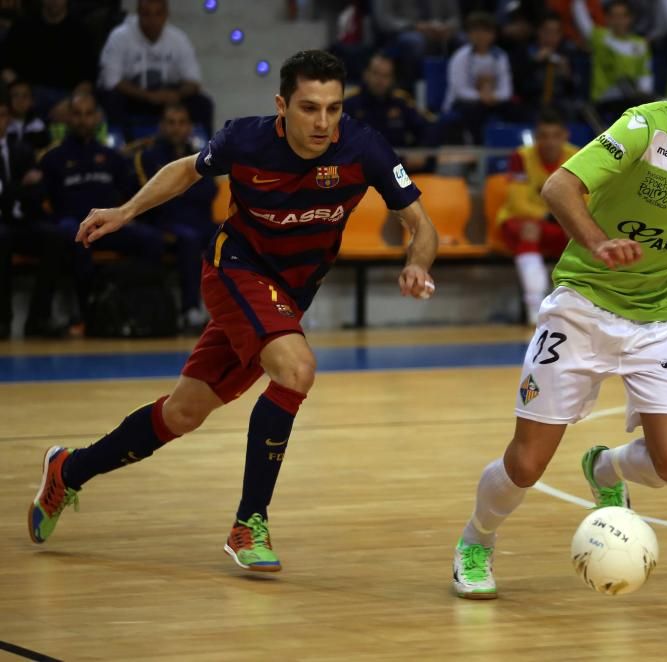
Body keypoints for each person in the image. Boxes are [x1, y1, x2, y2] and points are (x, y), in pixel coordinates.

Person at [28, 51, 439, 573]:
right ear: (281, 105)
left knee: (182, 413)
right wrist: (125, 211)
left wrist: (417, 264)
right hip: (234, 270)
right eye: (309, 108)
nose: (322, 122)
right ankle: (250, 522)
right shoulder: (245, 140)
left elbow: (421, 227)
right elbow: (185, 171)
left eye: (333, 109)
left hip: (287, 298)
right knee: (297, 370)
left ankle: (69, 470)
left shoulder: (365, 148)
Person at [451, 30, 667, 599]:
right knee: (526, 465)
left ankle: (606, 469)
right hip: (584, 307)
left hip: (664, 316)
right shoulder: (645, 125)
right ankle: (477, 539)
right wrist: (598, 242)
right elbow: (558, 186)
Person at [39, 91, 159, 318]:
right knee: (76, 238)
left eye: (88, 114)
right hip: (72, 225)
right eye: (77, 114)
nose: (83, 120)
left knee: (151, 239)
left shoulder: (111, 157)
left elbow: (130, 193)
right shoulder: (52, 157)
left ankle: (137, 303)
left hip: (106, 225)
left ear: (97, 118)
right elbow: (42, 200)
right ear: (68, 118)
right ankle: (88, 313)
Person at [134, 103, 217, 332]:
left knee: (237, 233)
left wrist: (177, 190)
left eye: (182, 123)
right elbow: (154, 197)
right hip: (166, 224)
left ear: (190, 127)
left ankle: (242, 310)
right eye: (171, 123)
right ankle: (189, 310)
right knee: (189, 239)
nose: (176, 128)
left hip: (200, 221)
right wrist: (185, 190)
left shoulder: (203, 156)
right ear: (161, 126)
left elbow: (210, 191)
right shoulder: (148, 157)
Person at [496, 108, 575, 325]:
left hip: (559, 224)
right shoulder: (521, 157)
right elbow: (517, 203)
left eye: (555, 136)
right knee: (530, 229)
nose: (549, 142)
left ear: (565, 136)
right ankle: (534, 308)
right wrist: (551, 216)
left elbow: (584, 202)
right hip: (520, 224)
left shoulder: (577, 157)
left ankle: (579, 308)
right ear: (536, 136)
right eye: (543, 136)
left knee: (585, 236)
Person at [0, 96, 69, 339]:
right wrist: (20, 186)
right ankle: (3, 320)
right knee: (2, 239)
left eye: (2, 116)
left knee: (55, 237)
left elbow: (39, 191)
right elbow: (23, 189)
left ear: (8, 119)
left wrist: (9, 189)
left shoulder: (22, 150)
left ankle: (39, 319)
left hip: (22, 220)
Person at [98, 0, 213, 138]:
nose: (152, 20)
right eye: (147, 14)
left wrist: (176, 95)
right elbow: (111, 81)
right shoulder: (120, 37)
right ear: (138, 14)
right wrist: (148, 96)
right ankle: (121, 146)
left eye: (158, 14)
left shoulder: (178, 39)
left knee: (203, 103)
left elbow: (193, 81)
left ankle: (206, 152)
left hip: (168, 96)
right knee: (113, 99)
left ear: (166, 15)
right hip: (133, 96)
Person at [343, 53, 434, 173]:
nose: (380, 80)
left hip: (398, 167)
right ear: (366, 74)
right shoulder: (349, 103)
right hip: (360, 168)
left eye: (386, 76)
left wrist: (421, 151)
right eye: (376, 74)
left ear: (392, 79)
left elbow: (428, 127)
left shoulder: (401, 101)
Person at [442, 12, 519, 143]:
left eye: (486, 32)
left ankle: (510, 147)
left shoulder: (500, 56)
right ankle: (477, 150)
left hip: (492, 101)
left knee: (516, 111)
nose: (481, 36)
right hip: (462, 102)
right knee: (474, 111)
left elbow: (506, 90)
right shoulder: (460, 57)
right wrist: (481, 97)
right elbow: (460, 90)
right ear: (469, 34)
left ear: (493, 35)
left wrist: (495, 97)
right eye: (476, 31)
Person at [575, 0, 654, 119]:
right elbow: (580, 14)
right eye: (614, 16)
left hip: (632, 101)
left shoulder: (640, 44)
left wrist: (644, 101)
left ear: (630, 18)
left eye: (623, 16)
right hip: (605, 101)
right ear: (607, 19)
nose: (618, 21)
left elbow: (645, 76)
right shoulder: (599, 37)